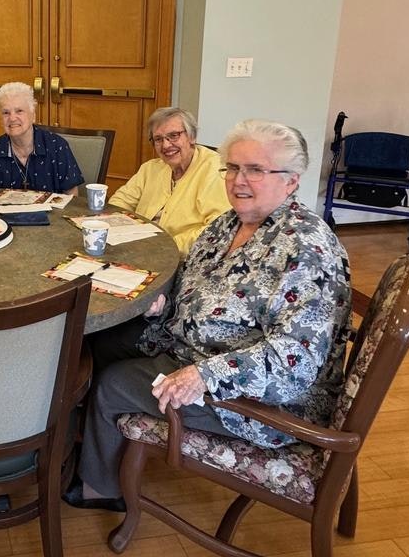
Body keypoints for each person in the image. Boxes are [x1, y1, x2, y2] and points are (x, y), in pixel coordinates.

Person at [66, 119, 352, 510]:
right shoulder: (226, 224)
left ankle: (100, 487)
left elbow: (295, 361)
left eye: (255, 170)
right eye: (232, 167)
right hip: (190, 344)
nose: (238, 180)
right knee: (98, 343)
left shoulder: (307, 247)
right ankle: (82, 441)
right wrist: (162, 307)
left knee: (111, 382)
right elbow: (190, 285)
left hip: (256, 397)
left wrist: (204, 375)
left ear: (291, 180)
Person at [108, 107, 230, 255]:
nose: (166, 145)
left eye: (173, 136)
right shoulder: (151, 168)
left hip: (182, 259)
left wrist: (164, 247)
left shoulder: (215, 171)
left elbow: (216, 229)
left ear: (192, 137)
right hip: (138, 249)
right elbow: (118, 204)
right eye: (158, 139)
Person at [0, 81, 82, 194]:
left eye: (19, 111)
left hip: (52, 211)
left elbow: (71, 195)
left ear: (33, 115)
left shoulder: (57, 146)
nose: (12, 118)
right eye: (6, 113)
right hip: (4, 212)